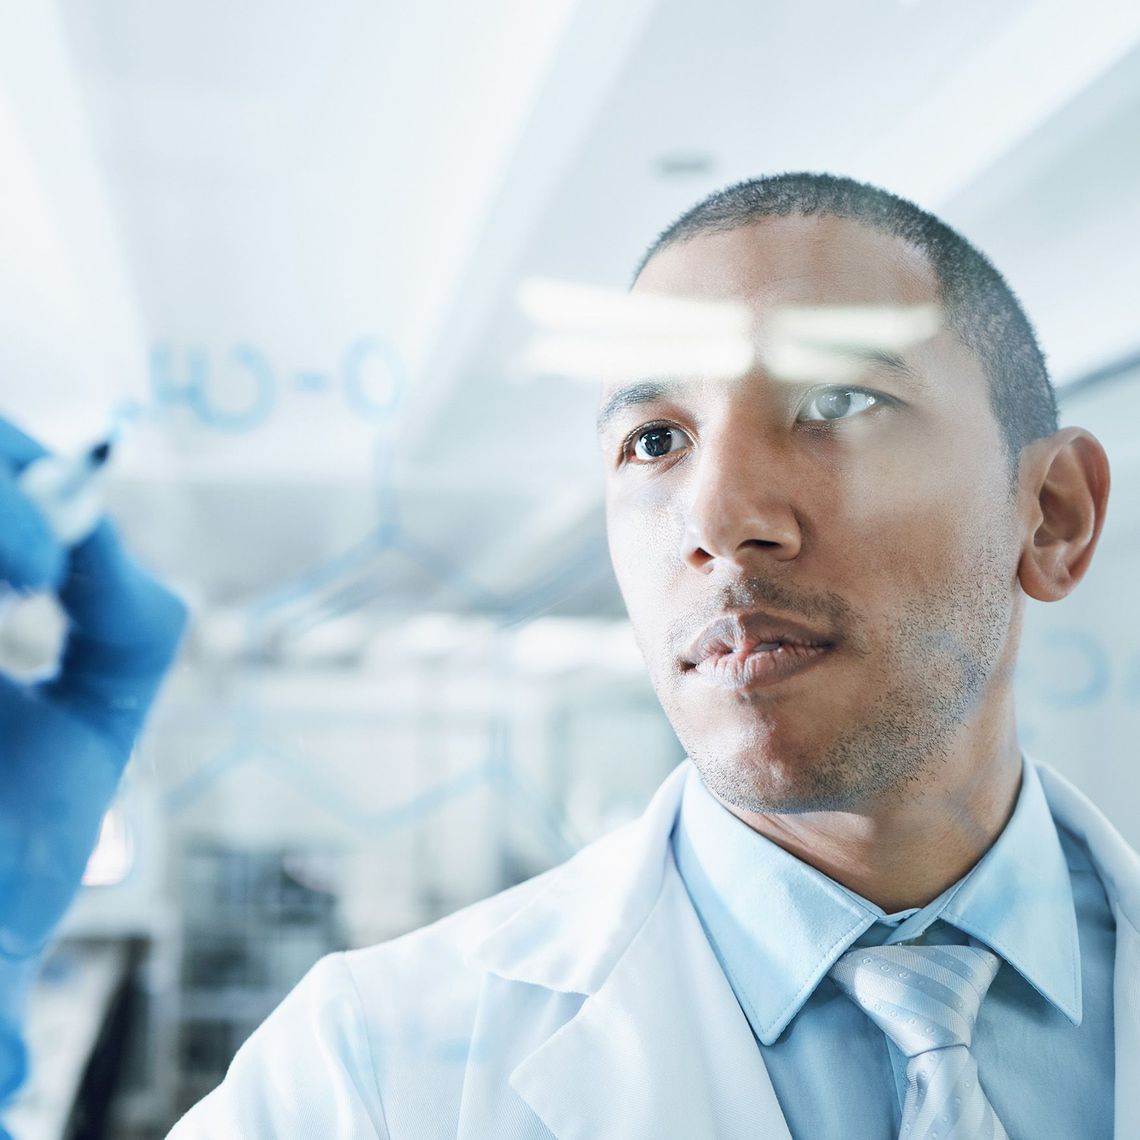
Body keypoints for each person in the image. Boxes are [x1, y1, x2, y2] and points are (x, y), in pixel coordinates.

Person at [4, 171, 1137, 1138]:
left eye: (837, 400)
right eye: (655, 441)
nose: (717, 514)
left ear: (1051, 514)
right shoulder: (372, 1070)